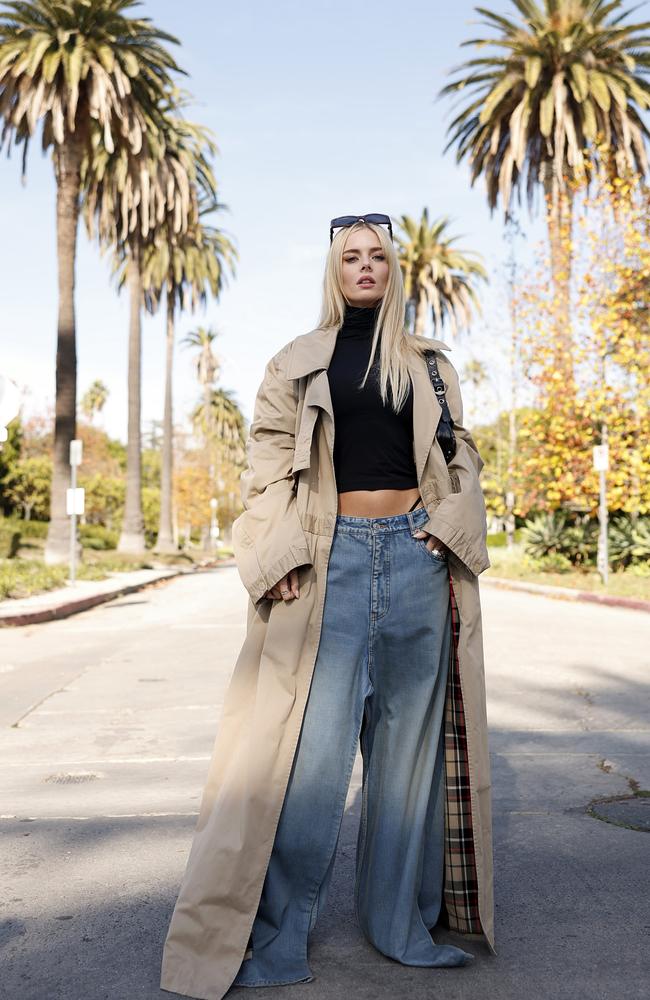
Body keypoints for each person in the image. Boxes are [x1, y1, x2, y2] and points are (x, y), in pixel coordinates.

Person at [160, 214, 495, 1000]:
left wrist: (447, 528)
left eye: (378, 255)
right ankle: (276, 940)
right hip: (332, 559)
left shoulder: (429, 364)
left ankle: (400, 928)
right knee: (309, 766)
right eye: (352, 256)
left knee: (406, 764)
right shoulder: (299, 360)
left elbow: (461, 452)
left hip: (416, 557)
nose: (366, 266)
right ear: (334, 269)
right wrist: (275, 554)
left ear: (395, 269)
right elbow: (268, 462)